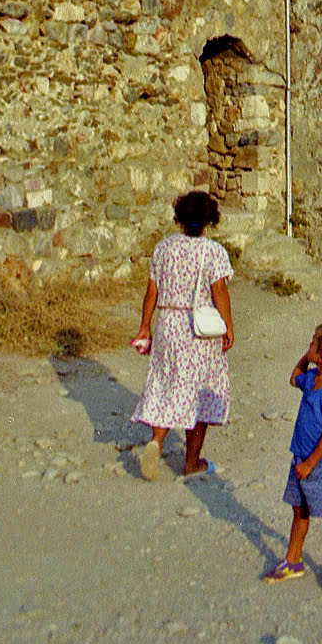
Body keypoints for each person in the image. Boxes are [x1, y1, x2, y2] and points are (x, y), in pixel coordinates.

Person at [130, 189, 234, 479]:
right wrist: (228, 325)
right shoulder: (213, 252)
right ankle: (191, 461)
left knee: (166, 383)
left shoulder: (163, 248)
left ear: (180, 218)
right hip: (198, 328)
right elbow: (219, 291)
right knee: (200, 391)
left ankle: (156, 442)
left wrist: (144, 326)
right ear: (210, 220)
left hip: (168, 324)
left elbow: (152, 290)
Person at [264, 322, 322, 590]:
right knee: (299, 509)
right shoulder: (313, 379)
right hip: (301, 457)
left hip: (320, 463)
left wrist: (310, 464)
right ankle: (293, 559)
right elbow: (294, 377)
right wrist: (307, 357)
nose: (308, 345)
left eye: (313, 343)